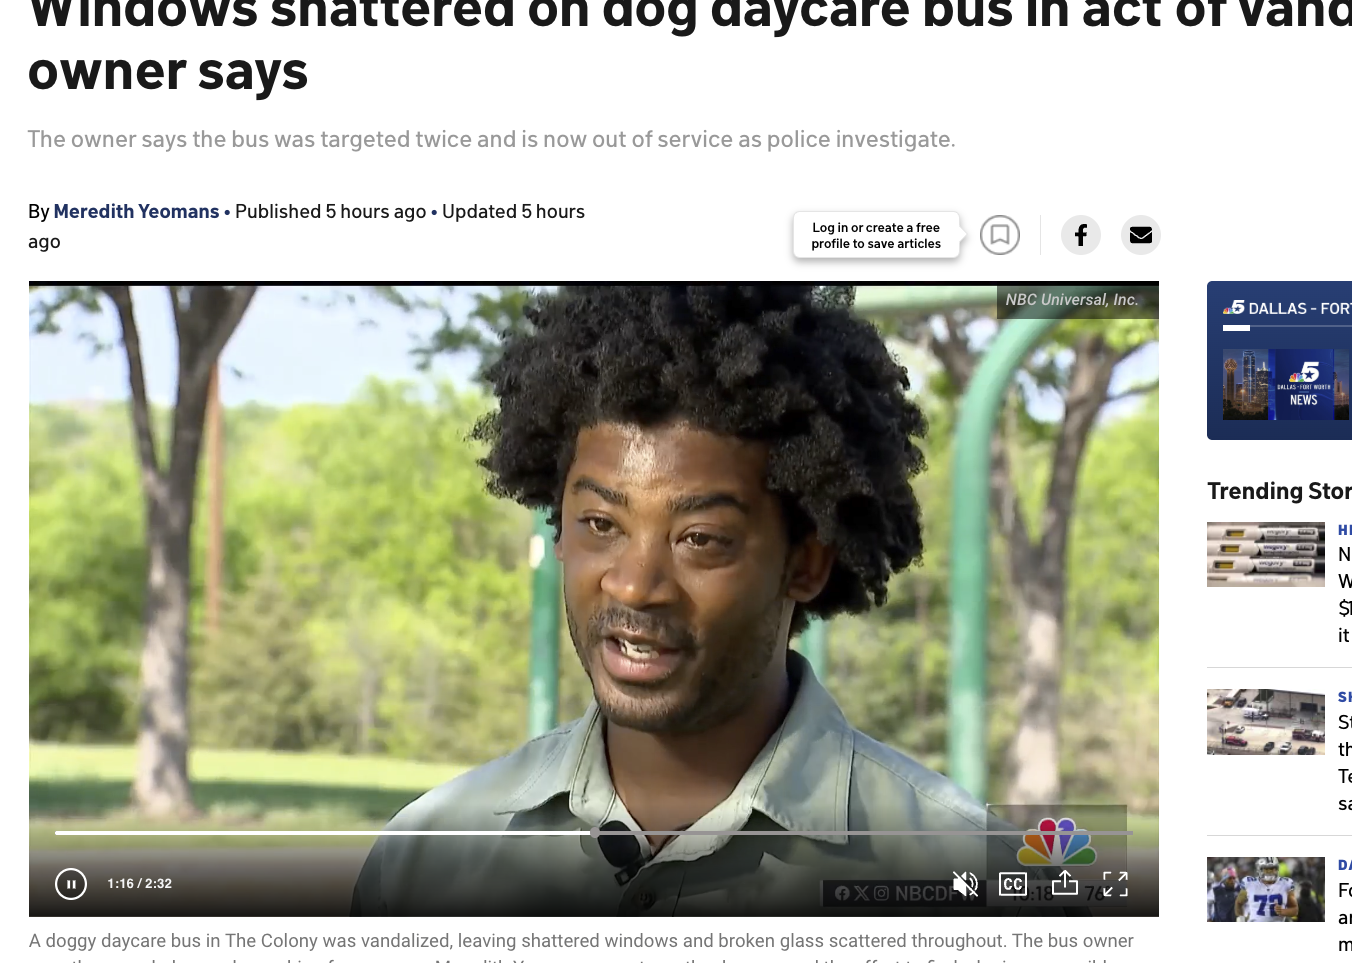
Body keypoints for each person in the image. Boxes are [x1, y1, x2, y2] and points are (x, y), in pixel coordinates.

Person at [353, 284, 1011, 915]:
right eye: (601, 525)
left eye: (701, 539)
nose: (636, 585)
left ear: (806, 562)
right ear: (558, 529)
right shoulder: (426, 858)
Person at [1236, 858, 1298, 922]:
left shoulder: (1286, 884)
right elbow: (1239, 903)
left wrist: (1283, 911)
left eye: (1272, 868)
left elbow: (1294, 909)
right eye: (1266, 869)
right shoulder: (1249, 883)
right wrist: (1241, 918)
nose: (1270, 871)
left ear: (1277, 869)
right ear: (1260, 870)